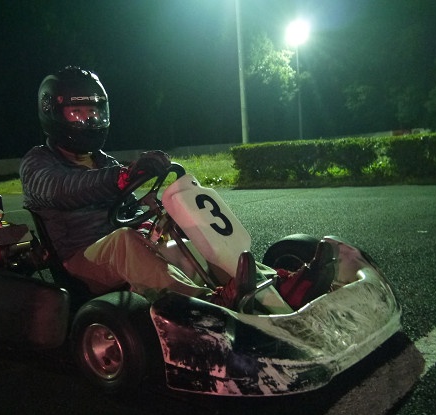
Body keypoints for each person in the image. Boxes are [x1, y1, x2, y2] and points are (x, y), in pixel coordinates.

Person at [20, 66, 331, 309]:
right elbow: (61, 188)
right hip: (81, 263)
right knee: (124, 241)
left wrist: (159, 217)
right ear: (53, 113)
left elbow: (126, 204)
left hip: (126, 246)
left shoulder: (103, 161)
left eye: (94, 112)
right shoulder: (39, 162)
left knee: (185, 237)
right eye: (77, 113)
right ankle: (206, 305)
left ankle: (273, 286)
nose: (89, 121)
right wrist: (121, 179)